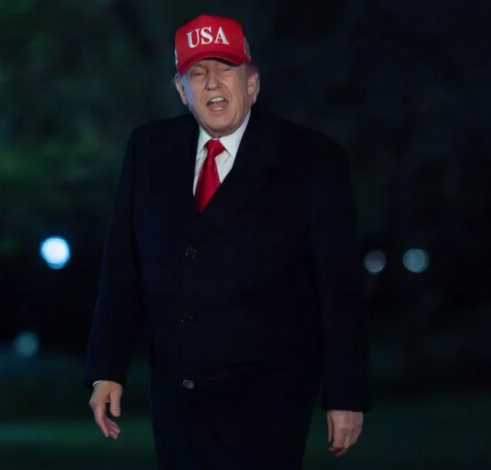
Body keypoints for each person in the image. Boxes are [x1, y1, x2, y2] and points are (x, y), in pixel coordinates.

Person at [85, 13, 369, 469]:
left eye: (225, 69)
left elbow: (340, 288)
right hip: (178, 397)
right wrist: (106, 370)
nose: (212, 82)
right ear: (182, 91)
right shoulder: (149, 150)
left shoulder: (313, 160)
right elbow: (123, 268)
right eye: (197, 73)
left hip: (269, 399)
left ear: (252, 82)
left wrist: (346, 393)